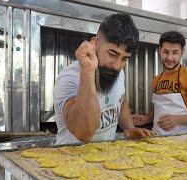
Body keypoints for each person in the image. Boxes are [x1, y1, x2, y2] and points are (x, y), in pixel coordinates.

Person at [53, 13, 155, 144]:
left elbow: (120, 101)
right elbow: (84, 133)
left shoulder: (116, 72)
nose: (117, 65)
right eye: (112, 54)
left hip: (104, 159)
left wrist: (130, 129)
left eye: (124, 58)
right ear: (94, 44)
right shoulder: (69, 78)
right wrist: (88, 71)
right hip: (71, 160)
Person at [133, 31, 187, 135]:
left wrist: (177, 120)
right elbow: (158, 107)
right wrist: (145, 119)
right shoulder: (157, 80)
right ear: (160, 51)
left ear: (182, 52)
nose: (169, 57)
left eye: (174, 52)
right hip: (156, 138)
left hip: (183, 140)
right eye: (165, 52)